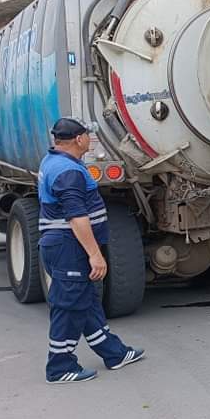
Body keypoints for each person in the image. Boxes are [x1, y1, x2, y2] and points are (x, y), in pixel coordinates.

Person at [39, 118, 145, 383]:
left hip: (62, 245)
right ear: (79, 139)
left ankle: (114, 353)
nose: (89, 138)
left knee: (85, 302)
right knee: (68, 306)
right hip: (68, 247)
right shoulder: (68, 171)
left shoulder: (55, 162)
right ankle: (59, 367)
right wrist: (95, 254)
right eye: (87, 134)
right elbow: (76, 217)